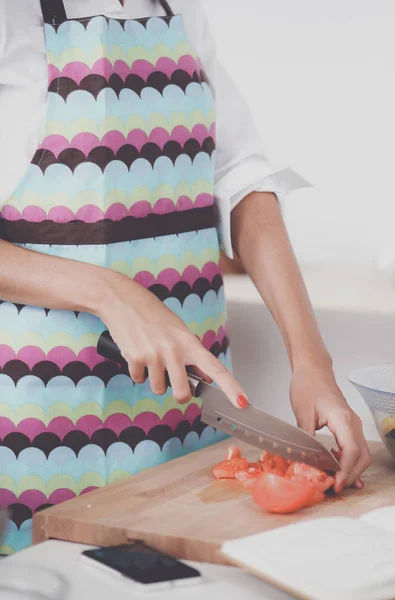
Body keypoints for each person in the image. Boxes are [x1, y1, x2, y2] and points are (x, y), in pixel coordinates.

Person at [0, 0, 371, 554]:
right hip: (40, 417)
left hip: (185, 411)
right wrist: (114, 296)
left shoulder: (179, 10)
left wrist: (312, 363)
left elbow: (243, 180)